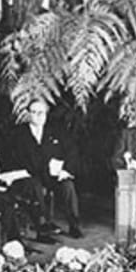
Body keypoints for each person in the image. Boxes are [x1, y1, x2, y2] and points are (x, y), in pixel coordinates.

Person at [9, 98, 81, 238]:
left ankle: (74, 225)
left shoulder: (56, 131)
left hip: (53, 176)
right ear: (28, 114)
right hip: (31, 176)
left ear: (46, 114)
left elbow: (72, 151)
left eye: (41, 113)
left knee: (68, 186)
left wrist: (65, 170)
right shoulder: (18, 134)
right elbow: (14, 159)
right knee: (35, 186)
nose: (37, 116)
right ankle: (43, 225)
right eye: (34, 112)